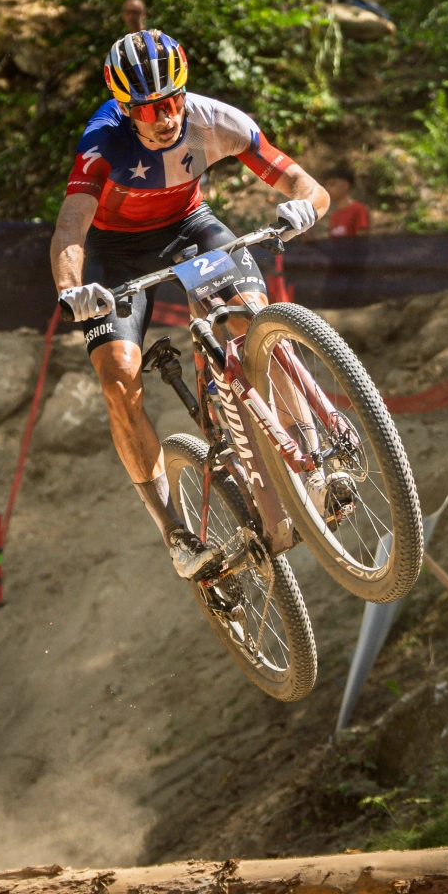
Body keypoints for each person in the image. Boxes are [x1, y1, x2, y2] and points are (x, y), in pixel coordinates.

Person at [50, 30, 330, 581]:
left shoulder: (216, 120)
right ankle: (174, 529)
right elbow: (70, 225)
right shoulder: (103, 142)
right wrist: (71, 289)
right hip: (117, 252)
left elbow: (306, 184)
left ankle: (312, 447)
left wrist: (306, 209)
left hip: (189, 229)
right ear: (127, 109)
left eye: (173, 99)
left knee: (253, 318)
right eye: (151, 108)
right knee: (118, 376)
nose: (166, 116)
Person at [324, 166, 369, 237]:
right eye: (326, 185)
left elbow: (362, 242)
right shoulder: (334, 216)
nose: (327, 189)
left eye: (332, 184)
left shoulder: (358, 210)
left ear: (345, 185)